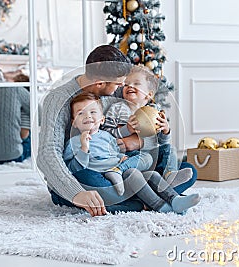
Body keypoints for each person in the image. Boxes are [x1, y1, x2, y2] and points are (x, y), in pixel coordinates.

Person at [37, 45, 198, 216]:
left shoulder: (119, 90)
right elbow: (48, 153)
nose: (123, 87)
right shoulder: (57, 99)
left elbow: (143, 125)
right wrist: (76, 193)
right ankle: (149, 198)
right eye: (119, 83)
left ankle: (141, 196)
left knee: (186, 169)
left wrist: (142, 140)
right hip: (85, 172)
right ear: (100, 83)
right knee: (88, 178)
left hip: (122, 166)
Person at [102, 65, 197, 193]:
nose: (130, 86)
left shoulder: (154, 111)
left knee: (171, 150)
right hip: (129, 157)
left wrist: (165, 131)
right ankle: (158, 192)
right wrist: (127, 130)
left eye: (136, 83)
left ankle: (170, 177)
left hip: (152, 157)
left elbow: (161, 143)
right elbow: (105, 133)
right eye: (127, 84)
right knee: (145, 160)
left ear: (149, 95)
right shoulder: (117, 108)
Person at [64, 92, 153, 195]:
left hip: (119, 169)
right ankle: (132, 198)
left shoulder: (107, 136)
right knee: (88, 179)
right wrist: (84, 149)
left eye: (92, 112)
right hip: (100, 176)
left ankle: (118, 171)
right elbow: (71, 169)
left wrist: (122, 157)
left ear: (102, 119)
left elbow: (115, 152)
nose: (87, 116)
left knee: (147, 158)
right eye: (81, 113)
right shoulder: (73, 142)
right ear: (74, 122)